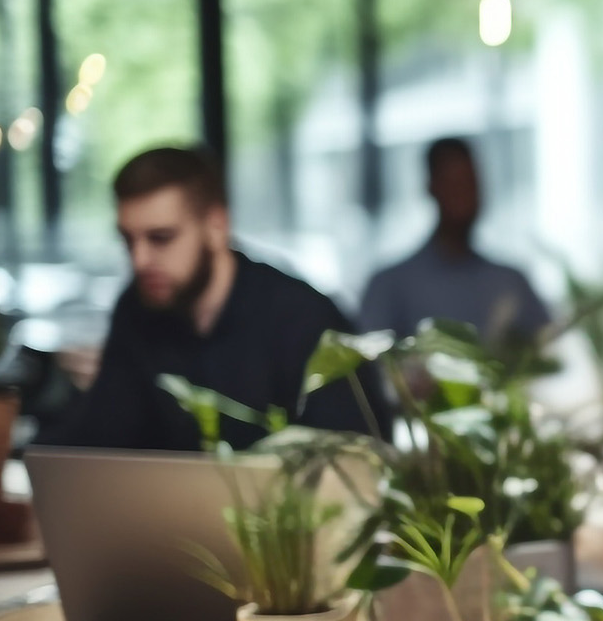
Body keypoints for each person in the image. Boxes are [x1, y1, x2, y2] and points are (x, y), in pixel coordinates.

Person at [42, 146, 384, 451]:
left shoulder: (304, 317)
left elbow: (354, 459)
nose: (139, 260)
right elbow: (100, 438)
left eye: (161, 238)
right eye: (128, 240)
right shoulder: (137, 308)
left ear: (216, 227)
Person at [357, 138, 550, 346]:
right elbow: (372, 367)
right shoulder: (390, 285)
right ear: (431, 188)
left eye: (471, 184)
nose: (466, 197)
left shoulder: (510, 281)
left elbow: (550, 353)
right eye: (455, 185)